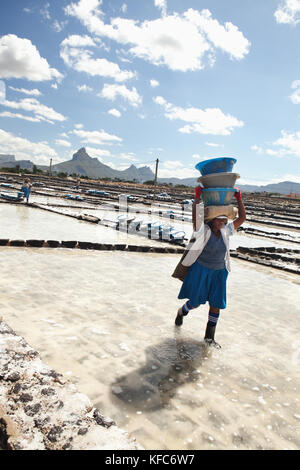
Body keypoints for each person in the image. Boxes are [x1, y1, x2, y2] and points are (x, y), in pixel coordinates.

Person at [174, 186, 246, 348]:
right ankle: (181, 311)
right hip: (201, 270)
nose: (223, 223)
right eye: (219, 220)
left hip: (220, 272)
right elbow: (196, 217)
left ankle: (209, 337)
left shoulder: (226, 231)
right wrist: (197, 199)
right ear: (212, 221)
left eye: (224, 220)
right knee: (196, 302)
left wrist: (239, 198)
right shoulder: (203, 231)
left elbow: (242, 218)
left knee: (216, 304)